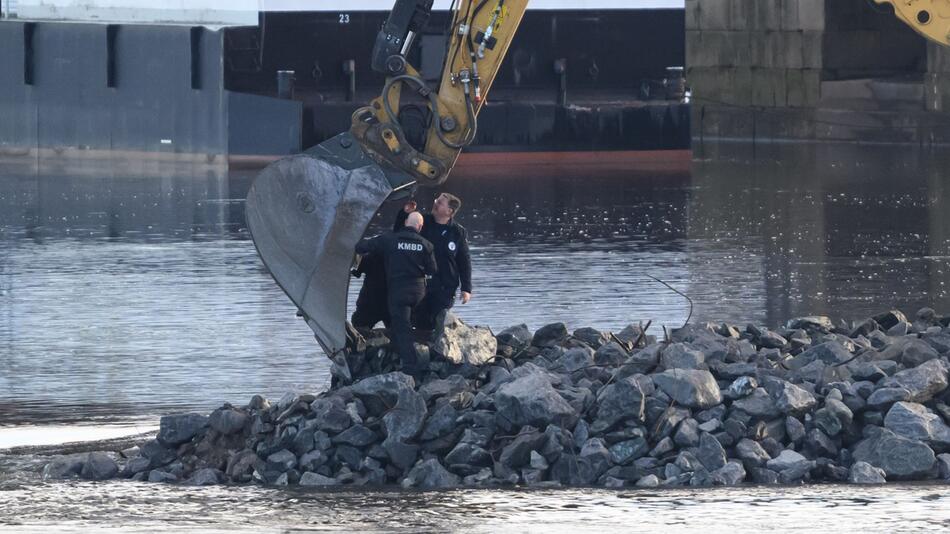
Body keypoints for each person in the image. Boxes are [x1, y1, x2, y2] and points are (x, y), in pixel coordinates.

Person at [355, 211, 437, 373]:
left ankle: (410, 366)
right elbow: (432, 269)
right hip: (419, 292)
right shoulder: (427, 244)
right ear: (420, 227)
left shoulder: (390, 240)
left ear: (406, 222)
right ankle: (425, 355)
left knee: (402, 328)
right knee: (414, 324)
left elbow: (362, 247)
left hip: (400, 292)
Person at [394, 193, 472, 330]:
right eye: (437, 200)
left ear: (450, 211)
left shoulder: (458, 232)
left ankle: (436, 348)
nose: (435, 203)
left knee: (439, 321)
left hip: (445, 287)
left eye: (440, 203)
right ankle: (420, 348)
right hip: (420, 284)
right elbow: (399, 233)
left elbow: (464, 261)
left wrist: (466, 288)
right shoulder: (421, 222)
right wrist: (403, 213)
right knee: (419, 321)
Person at [350, 252, 389, 329]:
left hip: (370, 302)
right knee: (399, 330)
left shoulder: (371, 255)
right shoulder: (402, 257)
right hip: (393, 304)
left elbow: (356, 272)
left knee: (359, 325)